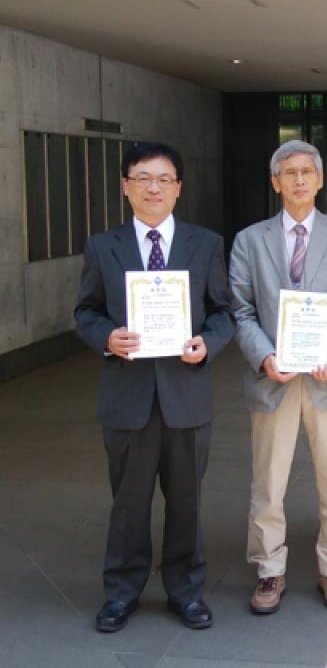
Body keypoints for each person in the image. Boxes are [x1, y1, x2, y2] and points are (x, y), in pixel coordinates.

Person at [74, 142, 235, 633]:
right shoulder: (103, 246)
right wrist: (107, 338)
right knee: (129, 503)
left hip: (186, 396)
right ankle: (121, 592)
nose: (153, 188)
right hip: (128, 398)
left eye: (164, 179)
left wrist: (207, 344)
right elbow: (86, 312)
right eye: (143, 178)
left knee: (187, 503)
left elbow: (223, 312)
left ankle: (186, 592)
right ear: (126, 186)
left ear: (178, 188)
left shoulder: (205, 243)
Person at [228, 140, 327, 615]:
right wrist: (265, 356)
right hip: (275, 380)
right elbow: (241, 310)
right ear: (276, 182)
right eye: (290, 173)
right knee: (268, 484)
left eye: (308, 172)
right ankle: (269, 568)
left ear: (321, 180)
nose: (300, 180)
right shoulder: (250, 240)